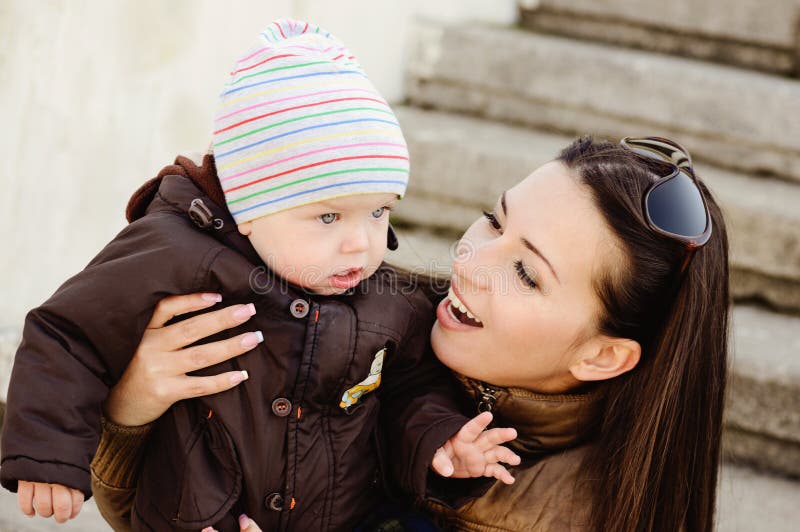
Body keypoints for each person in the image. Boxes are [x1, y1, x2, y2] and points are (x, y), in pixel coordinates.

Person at [1, 19, 520, 531]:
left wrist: (440, 438)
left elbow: (411, 386)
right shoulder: (174, 254)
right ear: (249, 209)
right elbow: (69, 334)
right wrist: (49, 454)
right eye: (328, 216)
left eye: (380, 211)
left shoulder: (385, 298)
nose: (361, 244)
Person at [87, 134, 730, 531]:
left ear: (603, 354)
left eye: (527, 274)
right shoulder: (373, 313)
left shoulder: (578, 513)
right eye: (492, 220)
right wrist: (134, 408)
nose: (469, 262)